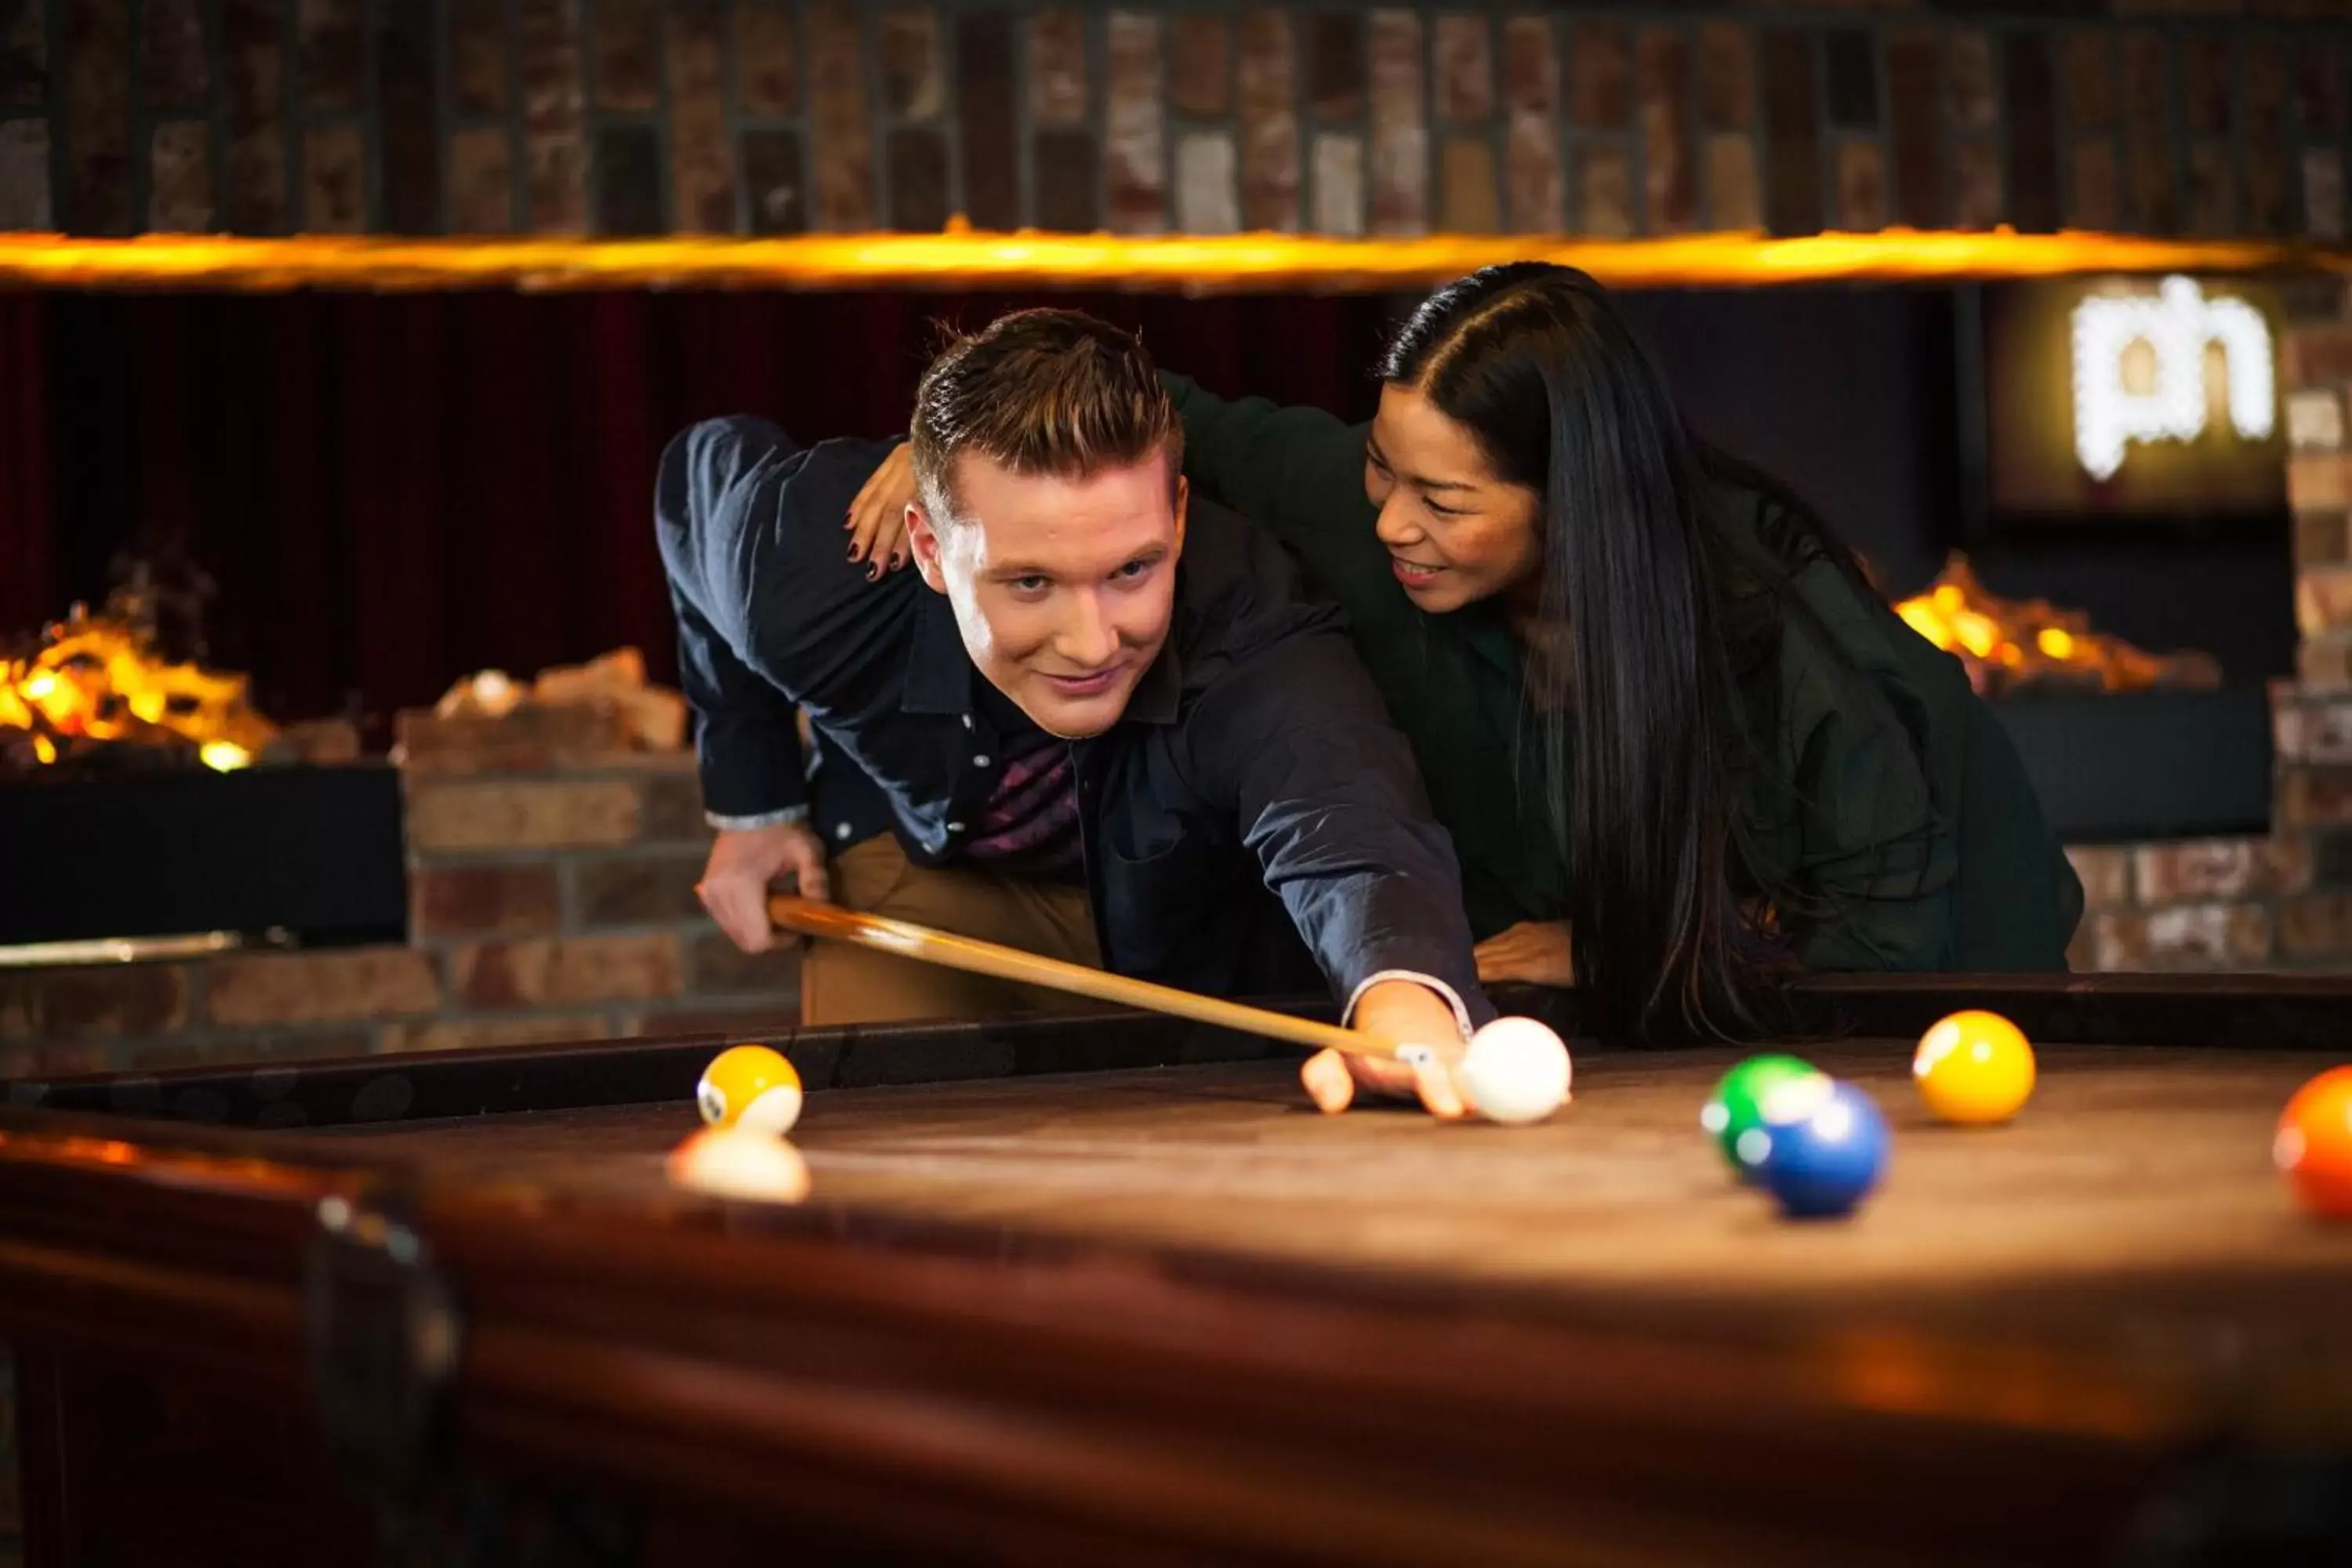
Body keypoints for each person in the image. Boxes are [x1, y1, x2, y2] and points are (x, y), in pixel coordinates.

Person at [849, 266, 2084, 1042]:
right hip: (1651, 1006)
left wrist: (1618, 952)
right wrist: (954, 442)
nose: (1390, 520)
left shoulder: (1778, 624)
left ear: (1573, 503)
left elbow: (1885, 947)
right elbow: (1155, 402)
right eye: (1385, 466)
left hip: (1958, 992)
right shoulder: (1357, 504)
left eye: (1443, 499)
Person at [659, 307, 1491, 1115]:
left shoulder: (1250, 621)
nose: (1092, 644)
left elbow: (1345, 815)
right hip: (923, 873)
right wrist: (752, 803)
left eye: (1132, 569)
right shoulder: (811, 563)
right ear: (928, 548)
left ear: (1178, 513)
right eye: (1030, 582)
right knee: (886, 1175)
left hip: (1162, 913)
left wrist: (1405, 1008)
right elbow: (688, 484)